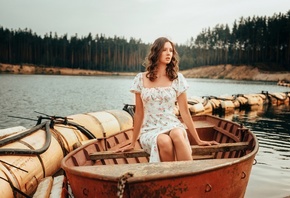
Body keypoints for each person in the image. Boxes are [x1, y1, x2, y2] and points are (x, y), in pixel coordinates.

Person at [119, 37, 218, 163]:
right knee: (163, 141)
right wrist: (133, 142)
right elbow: (139, 113)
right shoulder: (141, 79)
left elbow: (185, 112)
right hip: (150, 129)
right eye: (164, 50)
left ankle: (189, 174)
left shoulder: (177, 79)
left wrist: (198, 140)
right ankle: (171, 177)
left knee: (177, 134)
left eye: (171, 50)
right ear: (156, 52)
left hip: (172, 124)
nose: (168, 53)